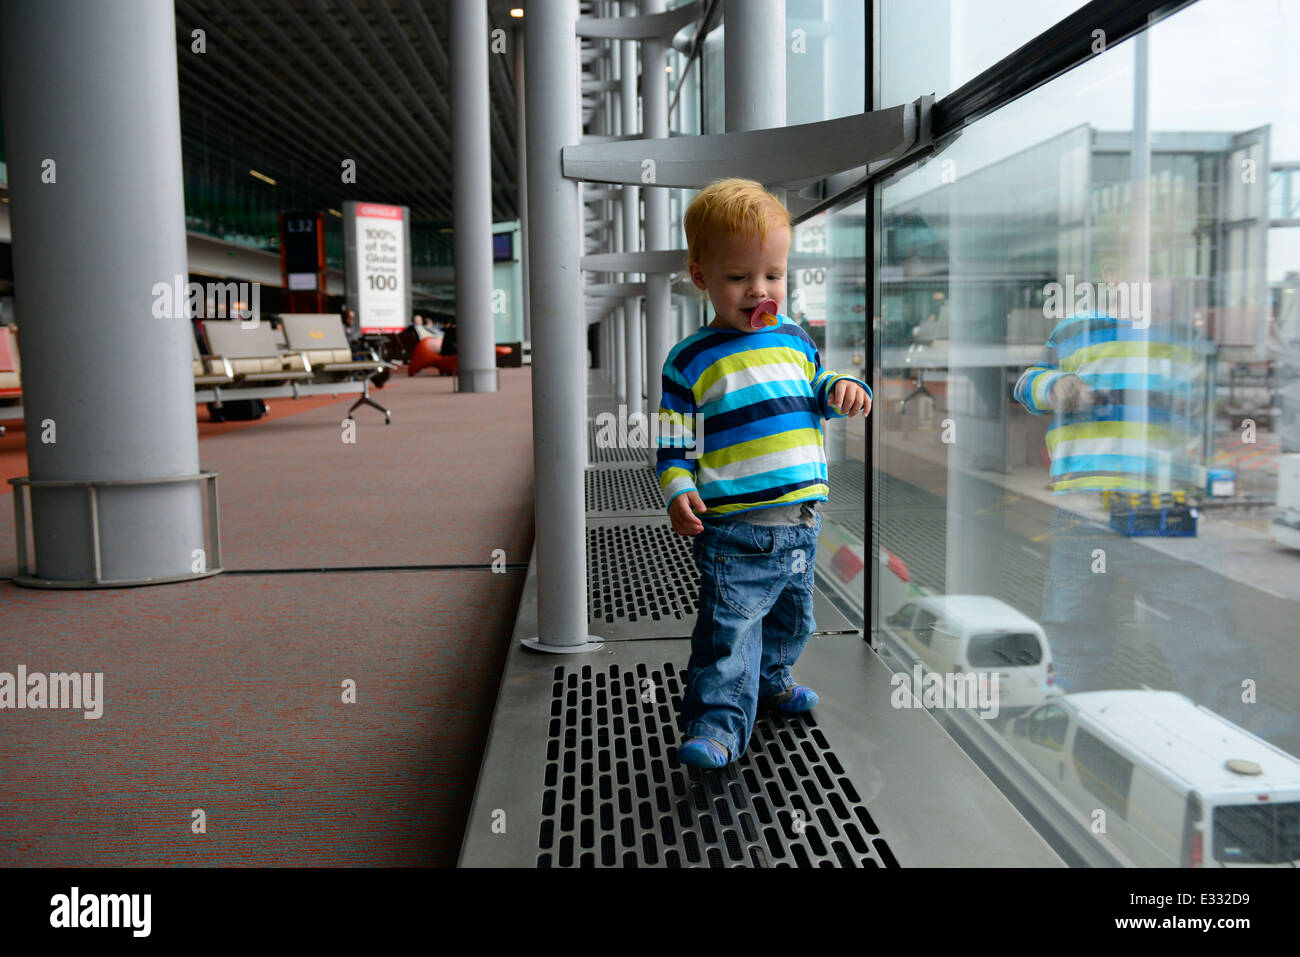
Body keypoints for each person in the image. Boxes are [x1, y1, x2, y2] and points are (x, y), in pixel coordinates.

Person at [656, 178, 872, 769]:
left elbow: (819, 390)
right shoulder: (691, 360)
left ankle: (773, 679)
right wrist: (678, 490)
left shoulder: (798, 341)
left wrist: (845, 387)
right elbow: (673, 445)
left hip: (802, 520)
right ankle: (718, 724)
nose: (760, 291)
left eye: (773, 275)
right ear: (701, 278)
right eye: (738, 278)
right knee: (730, 629)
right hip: (735, 529)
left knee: (793, 615)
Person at [1014, 306, 1290, 742]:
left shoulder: (1188, 334)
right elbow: (1026, 383)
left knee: (1194, 614)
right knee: (1073, 616)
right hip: (1089, 503)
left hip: (1162, 501)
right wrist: (1055, 384)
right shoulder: (1076, 329)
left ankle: (1234, 713)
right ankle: (1060, 701)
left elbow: (1204, 418)